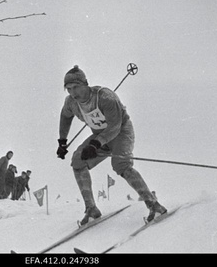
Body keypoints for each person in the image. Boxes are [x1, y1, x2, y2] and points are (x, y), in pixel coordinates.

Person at [57, 65, 167, 225]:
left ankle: (153, 204)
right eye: (68, 89)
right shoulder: (71, 102)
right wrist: (62, 141)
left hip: (121, 131)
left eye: (76, 87)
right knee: (77, 161)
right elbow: (65, 117)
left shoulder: (105, 97)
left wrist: (95, 144)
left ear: (86, 83)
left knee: (121, 165)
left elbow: (114, 126)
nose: (73, 93)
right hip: (99, 135)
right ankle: (91, 208)